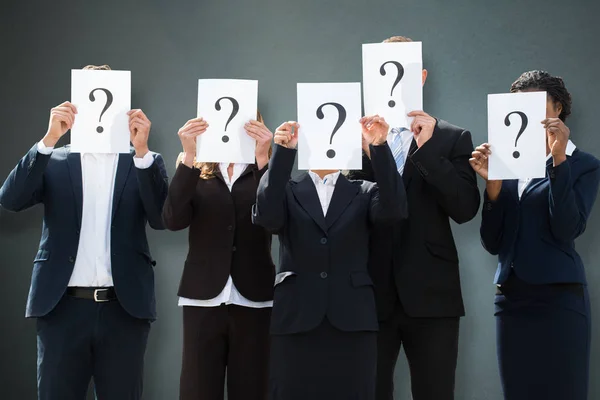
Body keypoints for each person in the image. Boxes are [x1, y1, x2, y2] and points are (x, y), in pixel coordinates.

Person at [0, 64, 168, 400]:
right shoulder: (54, 161)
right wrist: (48, 140)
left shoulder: (143, 162)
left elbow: (161, 217)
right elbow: (10, 198)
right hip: (61, 309)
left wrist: (142, 151)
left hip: (124, 311)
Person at [348, 35, 481, 400]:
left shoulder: (452, 138)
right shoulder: (352, 141)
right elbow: (350, 216)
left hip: (433, 294)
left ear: (420, 77)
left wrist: (428, 153)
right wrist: (372, 154)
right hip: (370, 291)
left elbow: (466, 209)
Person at [253, 115, 407, 400]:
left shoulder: (364, 190)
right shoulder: (286, 189)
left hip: (352, 319)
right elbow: (267, 216)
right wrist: (284, 152)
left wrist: (380, 147)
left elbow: (395, 209)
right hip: (296, 317)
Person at [470, 70, 600, 400]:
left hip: (560, 298)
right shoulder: (508, 162)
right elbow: (493, 242)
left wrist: (558, 160)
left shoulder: (583, 164)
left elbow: (567, 228)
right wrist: (494, 188)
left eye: (537, 104)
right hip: (512, 299)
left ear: (557, 108)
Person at [162, 112, 275, 400]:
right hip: (202, 295)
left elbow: (276, 219)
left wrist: (264, 160)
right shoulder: (194, 167)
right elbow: (173, 219)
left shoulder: (265, 167)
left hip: (253, 295)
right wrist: (189, 154)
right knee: (198, 390)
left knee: (252, 389)